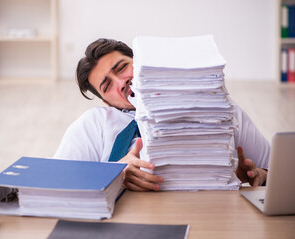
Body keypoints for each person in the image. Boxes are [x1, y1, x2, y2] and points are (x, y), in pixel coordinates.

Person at [54, 38, 270, 191]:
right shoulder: (93, 124)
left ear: (140, 63)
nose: (121, 82)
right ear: (106, 102)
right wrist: (116, 174)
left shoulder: (217, 107)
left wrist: (259, 176)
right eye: (107, 85)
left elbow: (276, 170)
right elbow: (57, 181)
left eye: (122, 68)